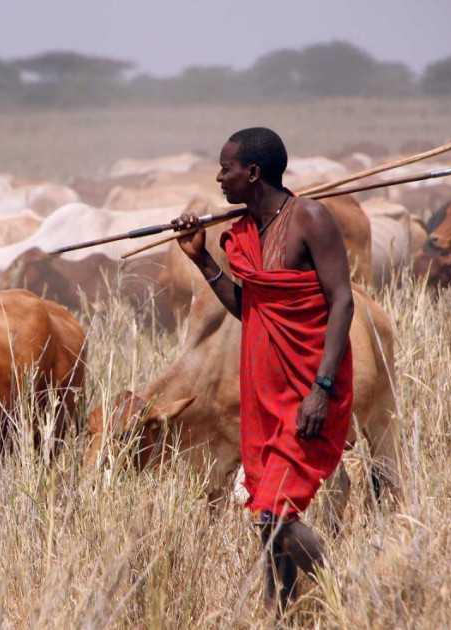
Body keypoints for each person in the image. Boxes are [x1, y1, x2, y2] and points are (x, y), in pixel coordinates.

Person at [171, 127, 354, 614]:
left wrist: (322, 389)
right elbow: (248, 309)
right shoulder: (247, 232)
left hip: (308, 389)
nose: (219, 176)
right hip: (263, 395)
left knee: (275, 512)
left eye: (226, 168)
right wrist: (203, 257)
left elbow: (342, 302)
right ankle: (282, 614)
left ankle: (345, 600)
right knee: (269, 518)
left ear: (252, 173)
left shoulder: (311, 218)